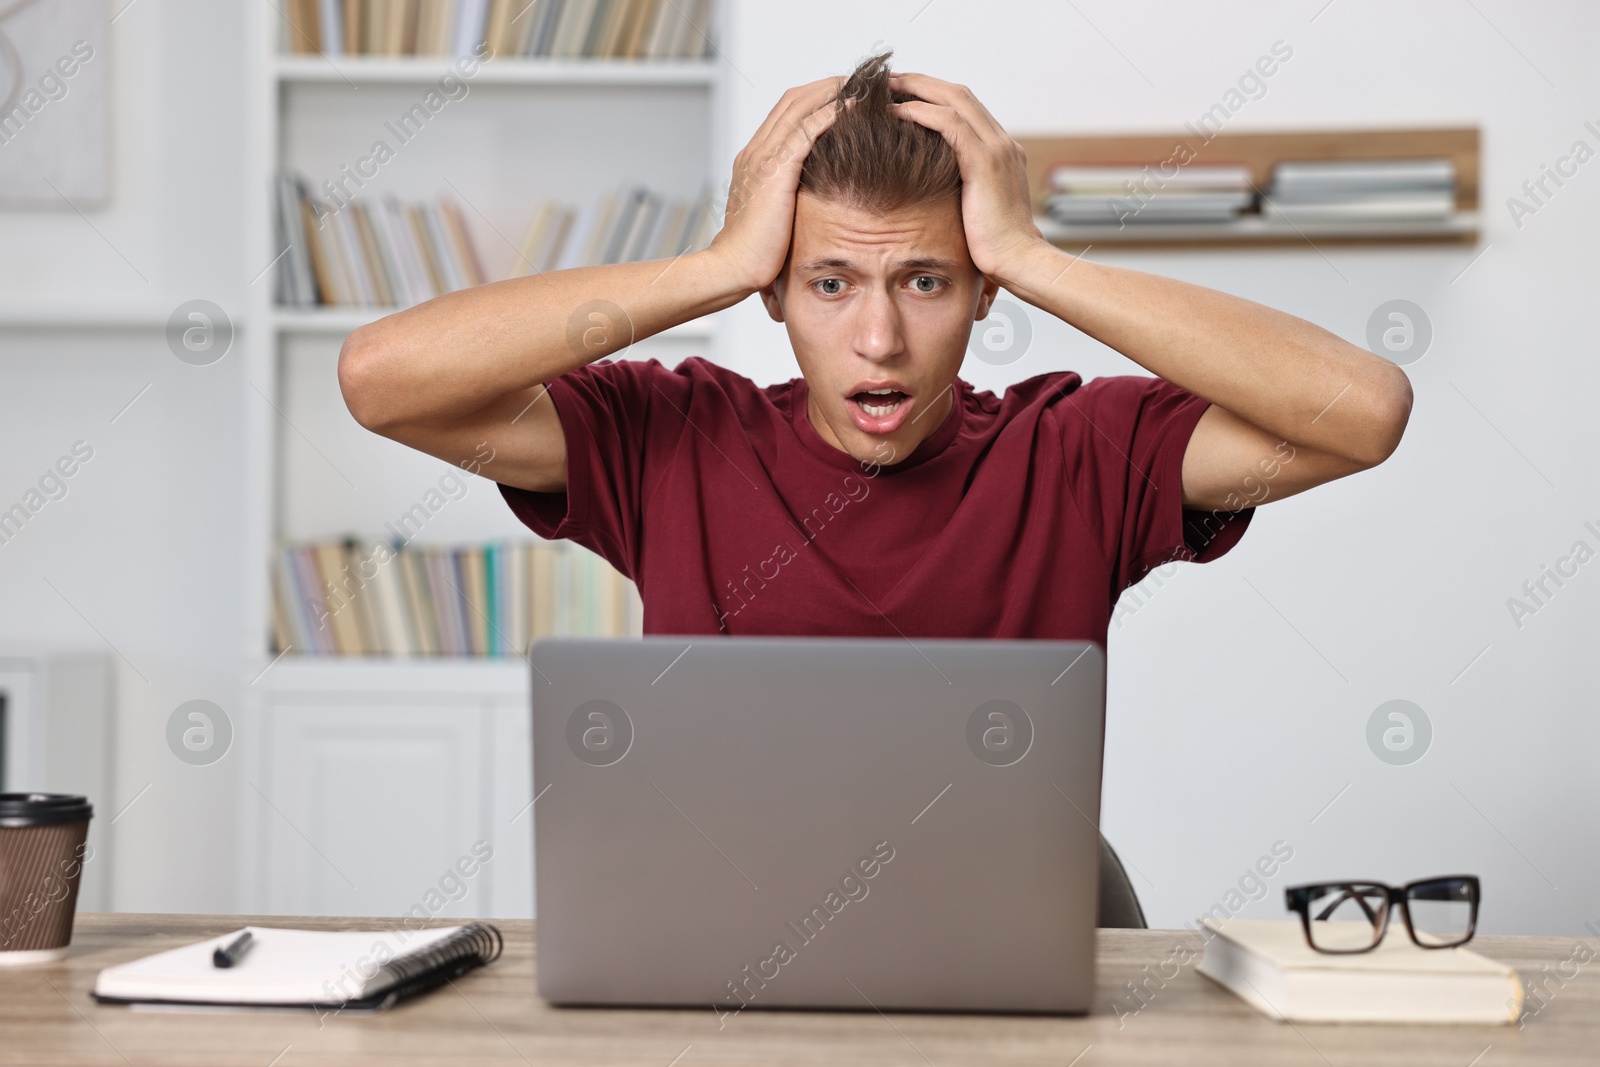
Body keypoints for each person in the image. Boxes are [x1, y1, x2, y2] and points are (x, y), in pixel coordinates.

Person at [337, 51, 1412, 645]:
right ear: (777, 292)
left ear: (980, 288)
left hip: (998, 999)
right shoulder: (668, 438)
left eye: (928, 280)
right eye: (831, 282)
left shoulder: (1079, 452)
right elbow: (382, 380)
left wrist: (1033, 257)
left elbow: (1360, 410)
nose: (880, 337)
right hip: (713, 985)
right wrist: (717, 264)